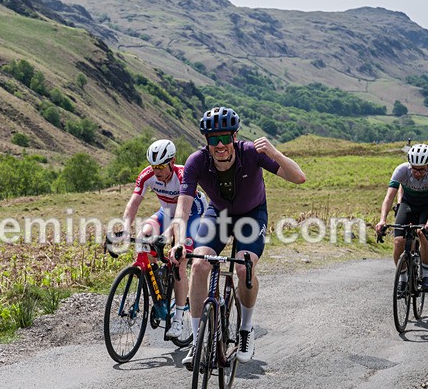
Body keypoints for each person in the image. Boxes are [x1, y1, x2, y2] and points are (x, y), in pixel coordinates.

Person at [169, 107, 306, 368]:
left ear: (235, 137)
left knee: (245, 267)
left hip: (252, 215)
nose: (220, 145)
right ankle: (198, 342)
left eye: (225, 138)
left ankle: (246, 329)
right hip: (218, 214)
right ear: (206, 141)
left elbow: (299, 177)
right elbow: (182, 209)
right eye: (213, 140)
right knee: (198, 265)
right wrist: (178, 241)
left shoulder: (252, 153)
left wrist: (274, 153)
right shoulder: (196, 162)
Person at [119, 139, 208, 340]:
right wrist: (125, 229)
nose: (157, 171)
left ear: (172, 161)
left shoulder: (183, 175)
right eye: (154, 166)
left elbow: (180, 216)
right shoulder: (147, 175)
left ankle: (177, 319)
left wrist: (168, 237)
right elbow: (133, 203)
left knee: (179, 259)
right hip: (166, 211)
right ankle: (158, 288)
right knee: (144, 235)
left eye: (161, 166)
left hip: (190, 214)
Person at [375, 144, 428, 294]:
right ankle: (403, 279)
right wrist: (382, 220)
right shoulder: (401, 170)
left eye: (422, 169)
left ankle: (426, 276)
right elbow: (389, 197)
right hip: (408, 204)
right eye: (414, 168)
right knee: (399, 241)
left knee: (423, 235)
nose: (418, 173)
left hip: (427, 205)